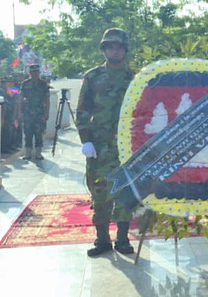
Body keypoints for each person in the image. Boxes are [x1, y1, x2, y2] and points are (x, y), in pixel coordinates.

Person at [76, 28, 137, 256]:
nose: (115, 51)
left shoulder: (134, 78)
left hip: (127, 147)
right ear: (104, 49)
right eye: (110, 46)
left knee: (125, 193)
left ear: (125, 50)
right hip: (100, 147)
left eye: (119, 47)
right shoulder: (93, 77)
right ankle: (102, 239)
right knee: (100, 193)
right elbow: (83, 110)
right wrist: (86, 140)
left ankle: (122, 238)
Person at [17, 64, 50, 160]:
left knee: (39, 133)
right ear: (30, 73)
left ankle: (38, 153)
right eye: (33, 72)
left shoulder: (43, 84)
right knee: (28, 133)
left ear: (39, 72)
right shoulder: (25, 84)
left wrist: (46, 112)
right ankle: (28, 153)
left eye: (36, 72)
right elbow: (20, 98)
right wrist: (19, 112)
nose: (35, 74)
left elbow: (47, 99)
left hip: (39, 112)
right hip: (28, 112)